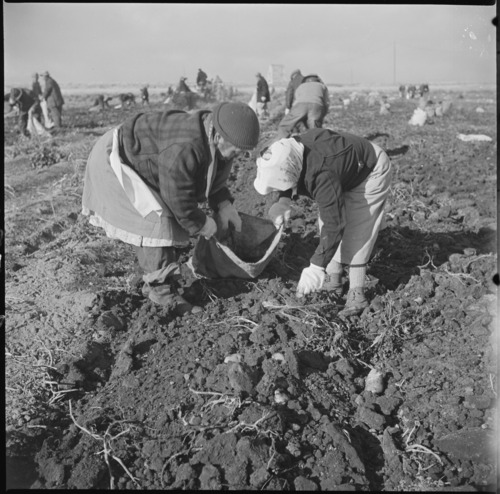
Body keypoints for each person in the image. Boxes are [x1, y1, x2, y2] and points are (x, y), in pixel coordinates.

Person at [82, 102, 260, 315]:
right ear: (219, 136)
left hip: (147, 164)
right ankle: (163, 296)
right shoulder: (185, 148)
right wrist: (203, 224)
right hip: (116, 160)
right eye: (235, 150)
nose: (236, 155)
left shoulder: (214, 136)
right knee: (157, 225)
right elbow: (178, 198)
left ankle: (154, 281)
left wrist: (224, 205)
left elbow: (213, 176)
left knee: (168, 225)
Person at [253, 128, 392, 316]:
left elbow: (335, 224)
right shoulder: (284, 151)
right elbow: (285, 173)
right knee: (325, 223)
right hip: (343, 169)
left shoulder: (321, 173)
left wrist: (316, 266)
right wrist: (283, 200)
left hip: (370, 170)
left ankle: (356, 294)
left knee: (357, 229)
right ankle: (334, 280)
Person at [276, 74, 330, 139]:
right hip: (317, 105)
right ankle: (317, 145)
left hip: (300, 105)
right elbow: (326, 102)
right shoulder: (322, 86)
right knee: (315, 129)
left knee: (284, 126)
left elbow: (295, 100)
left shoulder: (301, 86)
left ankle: (283, 144)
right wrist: (322, 115)